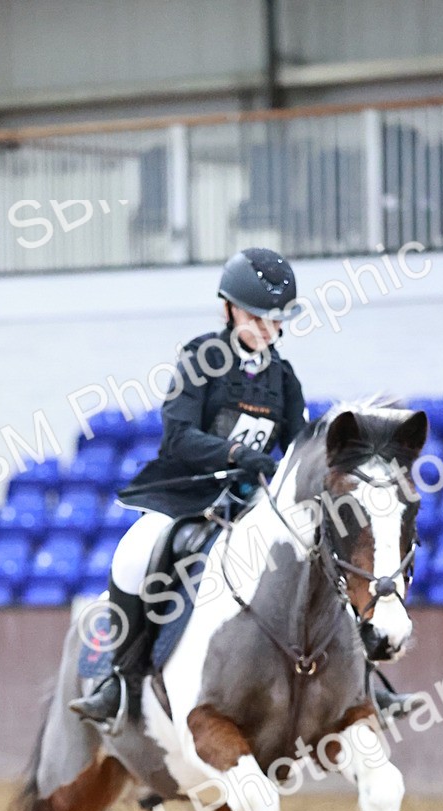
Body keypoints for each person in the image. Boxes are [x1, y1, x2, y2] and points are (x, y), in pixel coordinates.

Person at [70, 247, 418, 729]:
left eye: (276, 320)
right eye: (258, 317)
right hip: (189, 489)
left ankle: (369, 683)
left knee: (326, 555)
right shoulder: (199, 358)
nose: (268, 329)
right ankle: (118, 679)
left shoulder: (283, 376)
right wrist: (237, 456)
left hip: (255, 497)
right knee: (134, 553)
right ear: (230, 308)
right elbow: (178, 435)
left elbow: (297, 444)